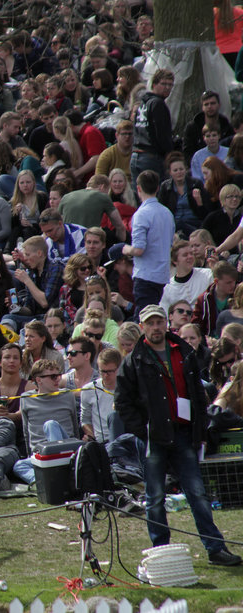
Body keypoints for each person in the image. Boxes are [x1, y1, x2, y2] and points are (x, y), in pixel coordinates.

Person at [115, 305, 242, 566]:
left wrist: (201, 428)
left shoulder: (184, 352)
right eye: (150, 323)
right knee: (155, 498)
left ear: (166, 323)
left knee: (198, 493)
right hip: (152, 438)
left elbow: (197, 394)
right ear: (142, 327)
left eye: (159, 322)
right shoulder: (133, 360)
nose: (156, 327)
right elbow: (123, 403)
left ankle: (215, 548)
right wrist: (143, 430)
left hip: (184, 433)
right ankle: (162, 551)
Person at [12, 359, 79, 484]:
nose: (57, 379)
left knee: (50, 425)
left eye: (58, 375)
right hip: (41, 454)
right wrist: (30, 454)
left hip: (66, 451)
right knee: (19, 466)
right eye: (53, 376)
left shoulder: (67, 395)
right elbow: (27, 432)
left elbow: (75, 426)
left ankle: (54, 476)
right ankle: (43, 483)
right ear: (39, 380)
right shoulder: (26, 398)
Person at [121, 170, 175, 316]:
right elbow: (170, 243)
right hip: (162, 275)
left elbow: (139, 249)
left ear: (138, 188)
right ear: (157, 188)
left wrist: (125, 249)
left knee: (144, 317)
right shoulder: (167, 213)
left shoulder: (141, 214)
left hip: (146, 275)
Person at [131, 69, 174, 184]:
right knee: (156, 192)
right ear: (154, 84)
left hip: (136, 156)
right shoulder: (158, 103)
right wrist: (169, 153)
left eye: (170, 85)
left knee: (140, 194)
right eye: (163, 84)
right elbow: (162, 134)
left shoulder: (143, 103)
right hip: (151, 157)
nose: (167, 87)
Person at [158, 240, 214, 314]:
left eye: (191, 254)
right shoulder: (167, 289)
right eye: (185, 255)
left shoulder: (207, 274)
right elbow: (165, 314)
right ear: (175, 261)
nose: (190, 257)